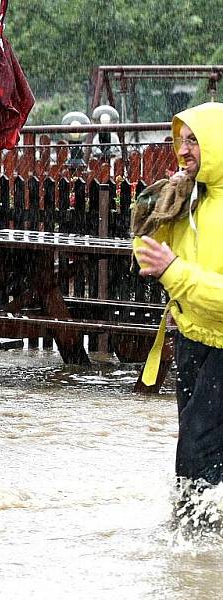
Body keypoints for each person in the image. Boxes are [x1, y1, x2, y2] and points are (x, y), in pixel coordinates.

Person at [134, 102, 223, 491]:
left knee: (196, 452)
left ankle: (192, 544)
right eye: (180, 141)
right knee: (200, 449)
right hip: (191, 339)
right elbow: (148, 251)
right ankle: (201, 543)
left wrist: (175, 272)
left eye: (194, 141)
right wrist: (153, 209)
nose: (183, 150)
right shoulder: (189, 197)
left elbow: (170, 268)